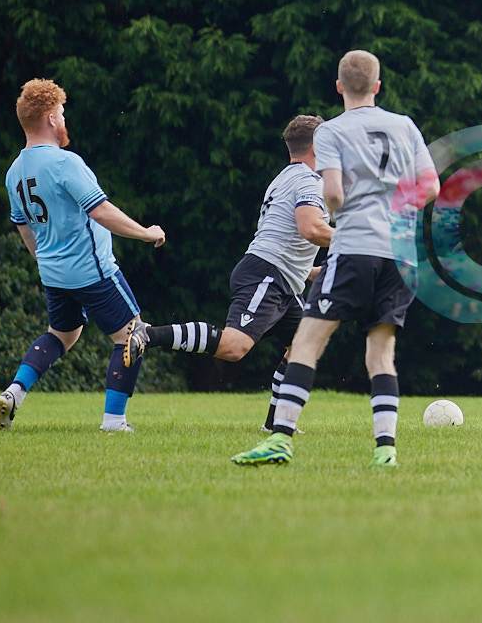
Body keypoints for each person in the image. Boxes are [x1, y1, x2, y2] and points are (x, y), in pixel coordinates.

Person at [230, 50, 440, 467]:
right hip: (401, 255)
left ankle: (281, 439)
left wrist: (346, 212)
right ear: (378, 86)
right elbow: (431, 186)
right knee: (381, 352)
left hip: (356, 247)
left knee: (307, 341)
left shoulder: (330, 132)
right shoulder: (405, 125)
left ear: (339, 86)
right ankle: (385, 451)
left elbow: (333, 194)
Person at [125, 115, 334, 431]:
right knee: (233, 347)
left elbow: (283, 240)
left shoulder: (285, 178)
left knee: (305, 344)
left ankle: (276, 424)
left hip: (277, 277)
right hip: (268, 275)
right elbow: (311, 229)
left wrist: (316, 271)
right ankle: (149, 334)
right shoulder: (309, 181)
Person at [0, 79, 165, 433]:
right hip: (92, 270)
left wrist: (44, 260)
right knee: (133, 335)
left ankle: (14, 392)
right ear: (51, 118)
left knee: (61, 334)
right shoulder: (65, 163)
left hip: (53, 274)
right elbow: (100, 211)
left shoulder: (14, 172)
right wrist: (146, 232)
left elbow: (23, 227)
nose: (63, 119)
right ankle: (114, 421)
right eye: (61, 113)